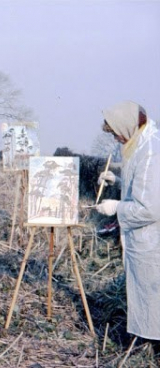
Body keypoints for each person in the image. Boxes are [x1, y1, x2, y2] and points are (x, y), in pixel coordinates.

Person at [96, 100, 160, 350]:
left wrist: (116, 207)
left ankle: (153, 349)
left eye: (116, 133)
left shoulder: (151, 152)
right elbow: (144, 188)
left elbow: (150, 208)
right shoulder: (141, 144)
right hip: (145, 240)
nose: (116, 139)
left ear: (127, 126)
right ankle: (148, 343)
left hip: (153, 239)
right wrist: (118, 180)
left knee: (154, 296)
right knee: (148, 295)